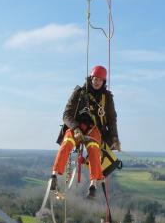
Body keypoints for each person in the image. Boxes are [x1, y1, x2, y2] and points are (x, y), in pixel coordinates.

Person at [51, 65, 120, 198]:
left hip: (93, 129)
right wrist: (75, 128)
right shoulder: (79, 92)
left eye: (100, 80)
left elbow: (112, 119)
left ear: (103, 81)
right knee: (67, 143)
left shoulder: (106, 98)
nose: (97, 82)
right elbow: (66, 114)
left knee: (94, 150)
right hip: (75, 126)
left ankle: (93, 185)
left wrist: (115, 138)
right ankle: (54, 174)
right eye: (95, 79)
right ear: (91, 78)